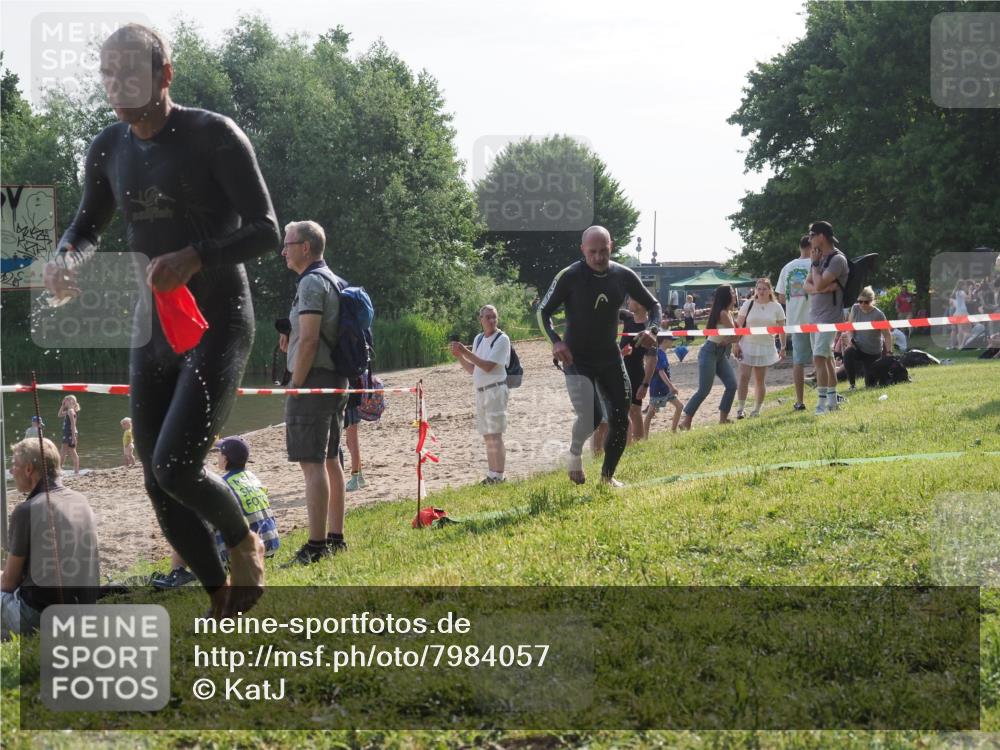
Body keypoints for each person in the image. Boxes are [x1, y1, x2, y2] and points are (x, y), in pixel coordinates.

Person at [43, 24, 279, 617]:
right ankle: (222, 595)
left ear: (164, 75)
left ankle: (243, 539)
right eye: (108, 74)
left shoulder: (214, 136)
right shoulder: (108, 147)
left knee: (176, 465)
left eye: (131, 72)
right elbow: (86, 225)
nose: (117, 85)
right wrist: (66, 258)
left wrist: (198, 254)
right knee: (155, 478)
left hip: (218, 319)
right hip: (153, 327)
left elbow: (267, 230)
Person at [538, 225, 661, 488]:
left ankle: (607, 478)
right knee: (591, 416)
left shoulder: (623, 275)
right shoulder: (570, 276)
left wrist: (653, 329)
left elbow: (654, 305)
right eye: (592, 252)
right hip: (576, 359)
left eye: (603, 251)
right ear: (583, 250)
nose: (598, 257)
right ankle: (575, 453)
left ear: (611, 247)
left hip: (610, 358)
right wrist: (556, 342)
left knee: (621, 419)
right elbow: (542, 312)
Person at [279, 220, 350, 565]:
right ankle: (335, 538)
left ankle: (316, 546)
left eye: (287, 243)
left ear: (305, 246)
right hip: (336, 379)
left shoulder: (310, 282)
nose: (283, 250)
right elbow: (308, 336)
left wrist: (295, 383)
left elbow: (309, 340)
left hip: (313, 381)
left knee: (311, 463)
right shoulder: (334, 280)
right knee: (331, 459)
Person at [2, 438, 99, 640]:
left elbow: (9, 584)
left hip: (40, 616)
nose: (11, 471)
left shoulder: (26, 510)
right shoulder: (80, 500)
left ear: (29, 469)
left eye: (14, 466)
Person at [153, 436, 280, 588]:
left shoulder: (222, 486)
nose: (217, 457)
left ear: (225, 460)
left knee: (188, 521)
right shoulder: (253, 478)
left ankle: (177, 572)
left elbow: (203, 525)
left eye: (219, 454)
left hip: (244, 556)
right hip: (269, 546)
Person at [450, 304, 512, 485]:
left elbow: (488, 366)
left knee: (496, 434)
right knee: (487, 435)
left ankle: (499, 476)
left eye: (494, 317)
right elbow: (473, 369)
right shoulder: (478, 339)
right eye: (488, 317)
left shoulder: (502, 339)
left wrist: (465, 351)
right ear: (481, 320)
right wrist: (459, 356)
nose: (492, 320)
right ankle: (492, 474)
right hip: (481, 391)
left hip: (495, 390)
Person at [678, 285, 740, 430]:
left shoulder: (728, 313)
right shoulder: (723, 313)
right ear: (727, 296)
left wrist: (729, 340)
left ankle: (723, 419)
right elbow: (735, 335)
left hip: (719, 352)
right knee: (704, 390)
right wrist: (730, 339)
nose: (735, 295)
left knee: (731, 385)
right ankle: (686, 421)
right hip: (710, 351)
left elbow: (734, 336)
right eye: (732, 293)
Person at [803, 220, 849, 414]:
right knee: (827, 359)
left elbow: (819, 284)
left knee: (819, 358)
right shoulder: (818, 258)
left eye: (812, 235)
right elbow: (807, 286)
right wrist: (819, 288)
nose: (809, 239)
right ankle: (832, 400)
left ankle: (821, 404)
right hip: (814, 316)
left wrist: (815, 268)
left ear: (821, 236)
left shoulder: (837, 259)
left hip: (829, 317)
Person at [734, 278, 786, 418]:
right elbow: (739, 325)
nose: (761, 291)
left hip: (765, 345)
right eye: (759, 288)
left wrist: (783, 347)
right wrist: (735, 343)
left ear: (770, 290)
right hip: (747, 344)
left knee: (759, 379)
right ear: (755, 290)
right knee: (744, 376)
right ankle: (740, 408)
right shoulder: (748, 304)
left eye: (764, 289)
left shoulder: (776, 307)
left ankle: (757, 409)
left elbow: (781, 329)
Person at [775, 235, 813, 411]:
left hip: (796, 320)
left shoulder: (787, 267)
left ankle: (800, 400)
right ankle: (827, 395)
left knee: (799, 361)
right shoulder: (816, 264)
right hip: (816, 318)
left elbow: (781, 297)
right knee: (823, 358)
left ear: (800, 247)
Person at [838, 286, 893, 389]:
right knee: (848, 353)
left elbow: (887, 334)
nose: (862, 304)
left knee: (870, 385)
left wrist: (889, 352)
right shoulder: (855, 308)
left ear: (872, 301)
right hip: (858, 348)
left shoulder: (879, 315)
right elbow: (850, 326)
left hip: (873, 352)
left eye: (866, 302)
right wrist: (850, 340)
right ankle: (852, 385)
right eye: (860, 301)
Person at [619, 298, 657, 442]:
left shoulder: (648, 329)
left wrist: (645, 384)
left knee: (634, 411)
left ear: (640, 304)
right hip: (621, 371)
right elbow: (608, 311)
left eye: (631, 299)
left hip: (635, 373)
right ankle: (629, 445)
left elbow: (652, 360)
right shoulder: (627, 317)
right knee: (625, 411)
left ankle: (639, 445)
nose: (628, 302)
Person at [643, 334, 684, 434]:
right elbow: (661, 372)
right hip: (658, 389)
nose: (672, 342)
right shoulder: (659, 354)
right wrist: (672, 386)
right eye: (671, 340)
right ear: (665, 341)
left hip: (665, 389)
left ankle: (673, 431)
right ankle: (644, 437)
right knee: (651, 413)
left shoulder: (662, 353)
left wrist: (669, 387)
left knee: (679, 406)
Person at [342, 401, 367, 492]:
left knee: (352, 442)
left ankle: (355, 478)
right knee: (350, 442)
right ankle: (359, 477)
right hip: (352, 405)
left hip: (351, 405)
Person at [58, 395, 81, 474]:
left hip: (70, 433)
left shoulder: (70, 411)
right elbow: (59, 414)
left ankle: (60, 469)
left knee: (66, 451)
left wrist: (74, 436)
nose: (64, 402)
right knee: (67, 451)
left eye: (66, 401)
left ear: (70, 402)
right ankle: (75, 471)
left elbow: (72, 424)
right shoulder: (69, 411)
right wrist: (62, 405)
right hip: (69, 433)